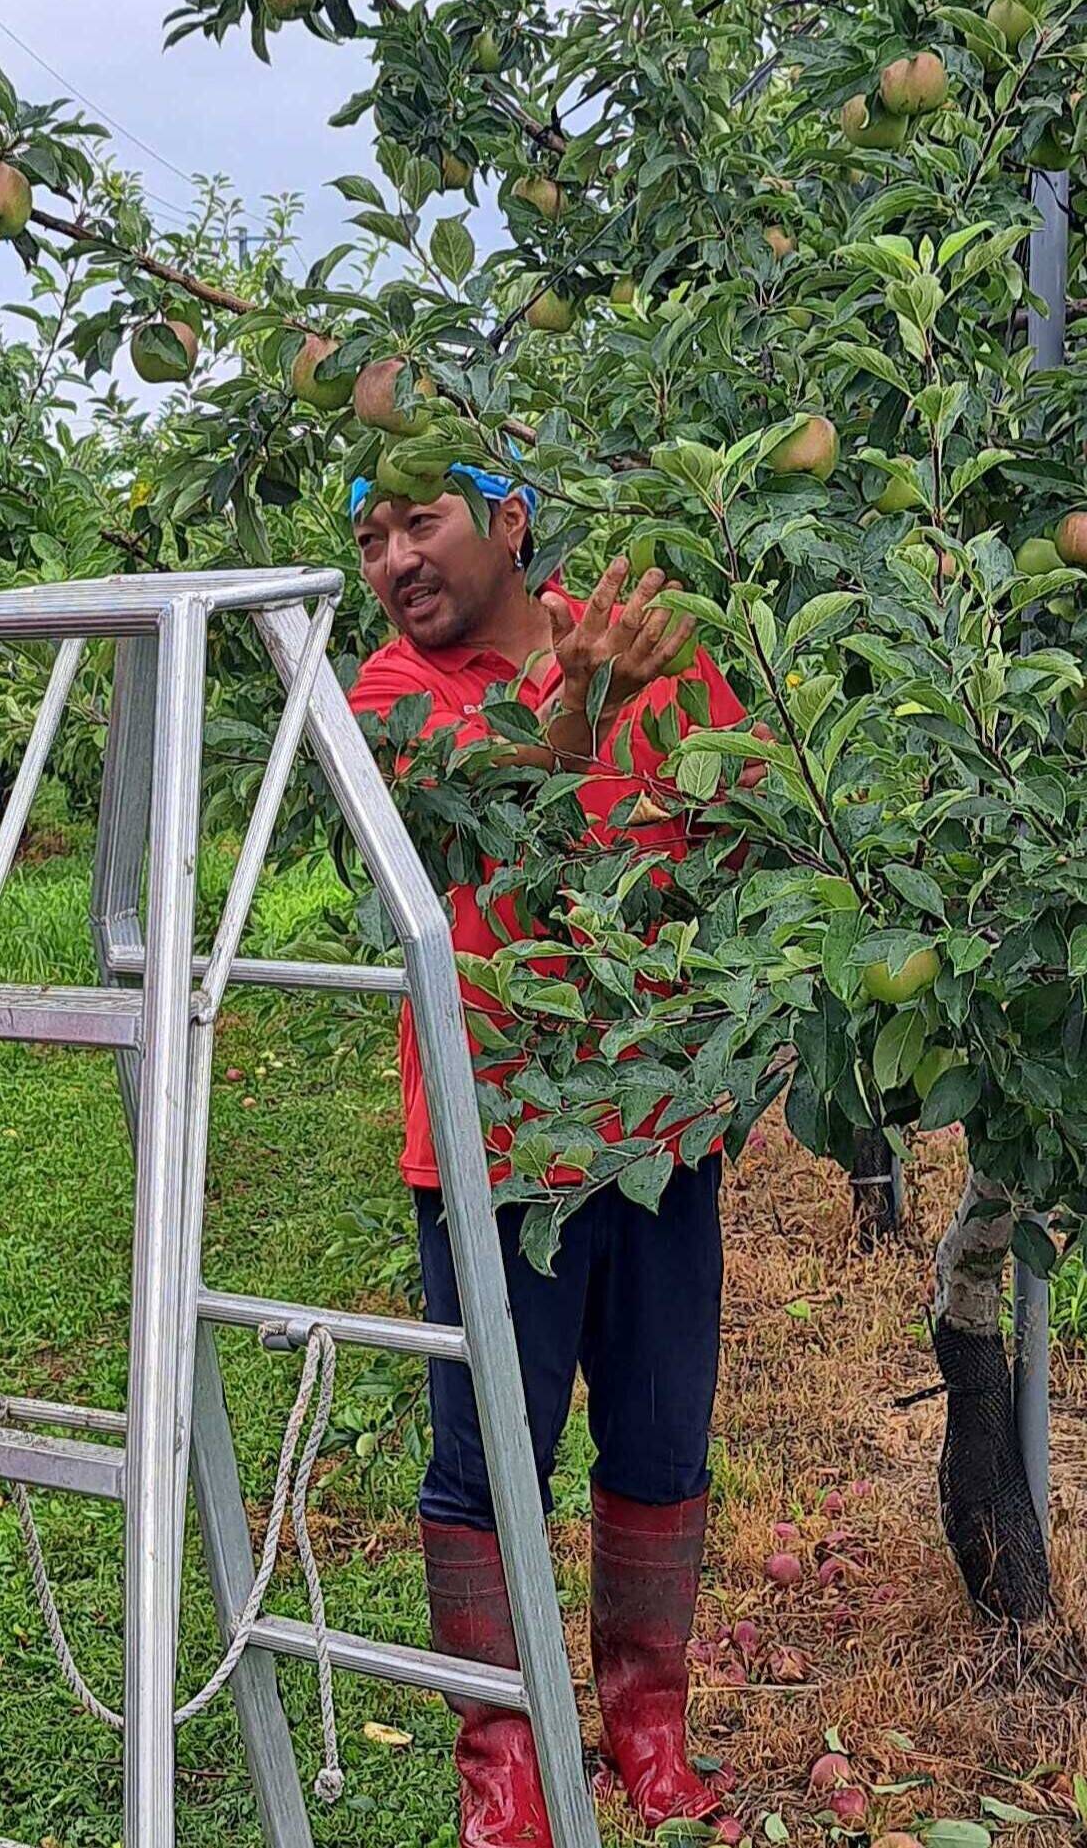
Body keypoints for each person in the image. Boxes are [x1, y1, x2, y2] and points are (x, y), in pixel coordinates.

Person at [345, 462, 750, 1848]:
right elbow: (470, 824)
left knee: (657, 1430)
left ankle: (648, 1727)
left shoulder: (639, 635)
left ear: (512, 520)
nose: (395, 557)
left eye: (421, 520)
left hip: (655, 1130)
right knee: (486, 1460)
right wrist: (577, 700)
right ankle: (503, 1767)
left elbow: (739, 826)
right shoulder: (385, 698)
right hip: (492, 1143)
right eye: (371, 535)